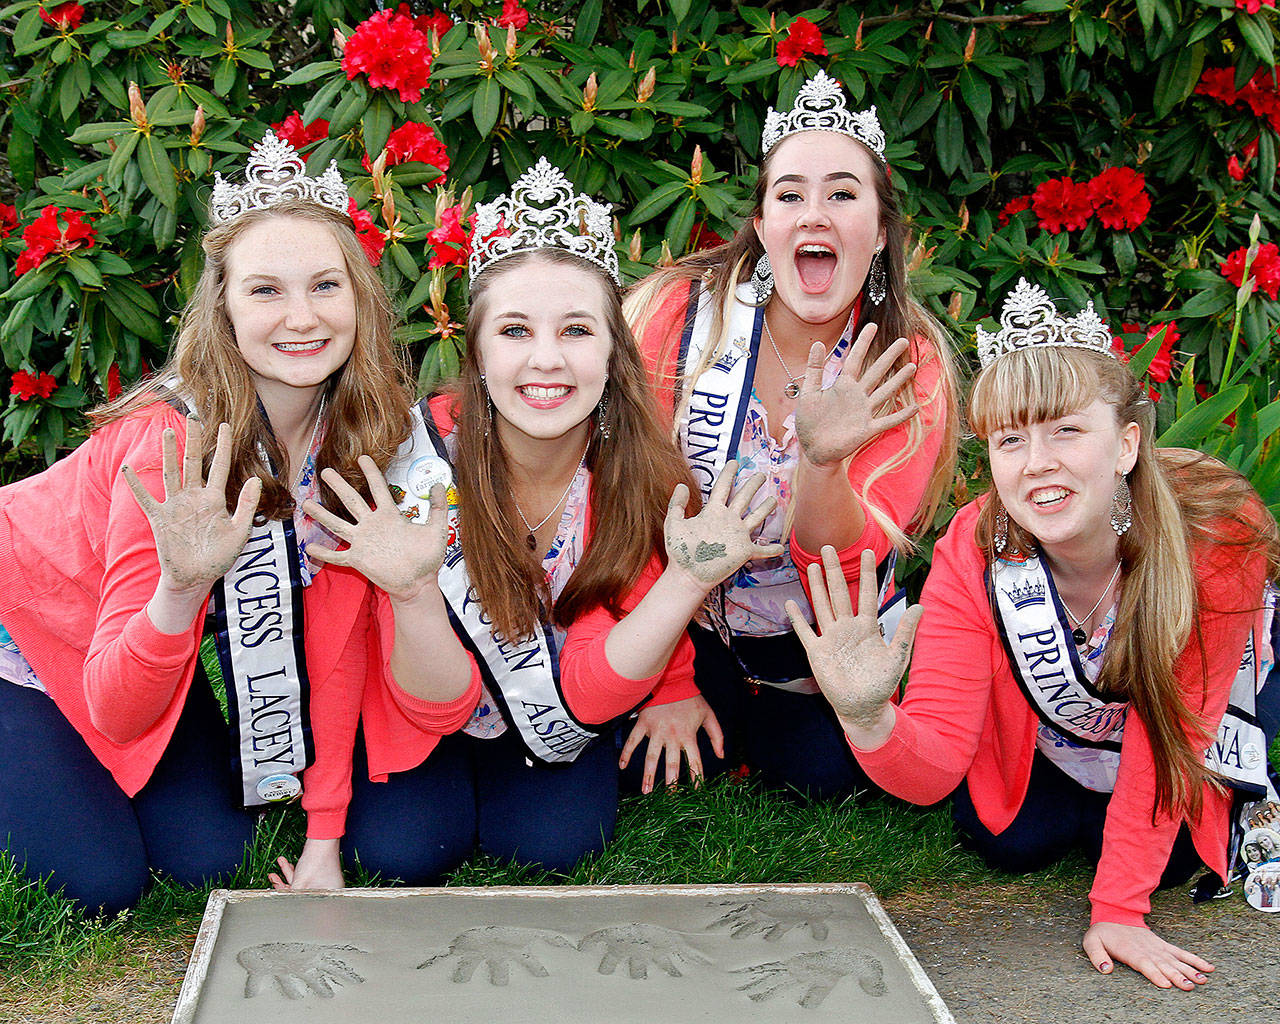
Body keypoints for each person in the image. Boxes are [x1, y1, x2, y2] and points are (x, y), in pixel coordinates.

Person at [298, 159, 779, 884]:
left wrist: (684, 585)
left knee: (556, 842)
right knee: (403, 853)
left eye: (577, 329)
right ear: (477, 351)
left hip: (552, 713)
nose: (546, 361)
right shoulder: (408, 466)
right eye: (516, 330)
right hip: (421, 706)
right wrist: (322, 840)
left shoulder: (641, 476)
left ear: (614, 351)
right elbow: (382, 680)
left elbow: (587, 691)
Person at [790, 278, 1280, 989]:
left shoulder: (1214, 540)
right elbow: (934, 769)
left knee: (1172, 861)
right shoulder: (975, 543)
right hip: (1068, 725)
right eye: (1011, 439)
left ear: (1126, 445)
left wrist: (1118, 908)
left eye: (1067, 431)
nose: (1037, 463)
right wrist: (866, 716)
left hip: (1189, 718)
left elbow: (1168, 735)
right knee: (1005, 836)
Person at [0, 132, 412, 913]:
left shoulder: (356, 433)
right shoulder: (168, 447)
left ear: (360, 298)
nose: (302, 317)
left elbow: (332, 648)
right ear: (221, 306)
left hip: (131, 644)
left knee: (210, 858)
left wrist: (324, 841)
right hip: (26, 621)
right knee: (97, 884)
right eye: (265, 291)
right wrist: (185, 586)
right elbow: (116, 705)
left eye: (326, 285)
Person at [621, 71, 959, 796]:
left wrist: (823, 460)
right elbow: (619, 507)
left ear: (880, 233)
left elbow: (845, 564)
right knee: (628, 752)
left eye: (842, 194)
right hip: (681, 630)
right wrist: (667, 680)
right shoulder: (672, 317)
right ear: (763, 224)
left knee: (827, 774)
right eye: (790, 195)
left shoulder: (910, 361)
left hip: (817, 651)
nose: (815, 215)